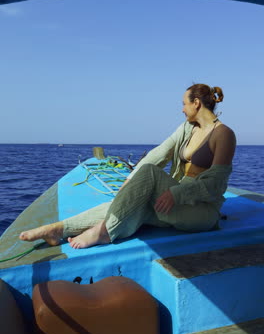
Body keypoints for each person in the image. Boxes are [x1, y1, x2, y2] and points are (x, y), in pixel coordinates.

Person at [19, 84, 236, 249]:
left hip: (202, 211)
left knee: (148, 175)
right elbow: (159, 153)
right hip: (175, 203)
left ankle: (105, 232)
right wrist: (130, 181)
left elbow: (215, 184)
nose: (182, 109)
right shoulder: (187, 128)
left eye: (184, 103)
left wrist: (176, 193)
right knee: (130, 202)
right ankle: (57, 230)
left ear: (196, 103)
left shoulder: (223, 134)